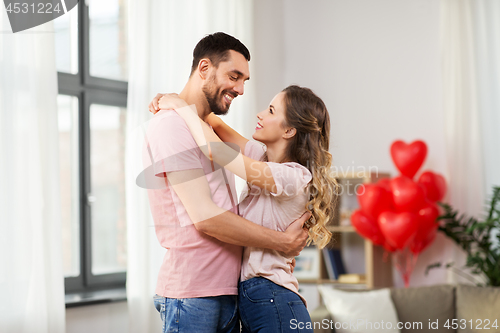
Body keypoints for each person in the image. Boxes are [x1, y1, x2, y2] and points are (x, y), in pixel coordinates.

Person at [144, 32, 310, 333]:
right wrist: (282, 242)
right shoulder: (172, 126)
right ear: (204, 68)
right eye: (235, 76)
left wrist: (182, 105)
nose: (241, 89)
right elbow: (207, 219)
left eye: (245, 80)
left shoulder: (209, 132)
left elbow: (217, 137)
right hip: (195, 293)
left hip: (229, 293)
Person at [154, 84, 338, 332]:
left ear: (290, 130)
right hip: (257, 299)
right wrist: (176, 99)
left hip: (275, 298)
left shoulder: (294, 176)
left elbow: (216, 151)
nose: (260, 114)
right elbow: (215, 125)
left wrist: (180, 107)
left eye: (271, 111)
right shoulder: (262, 158)